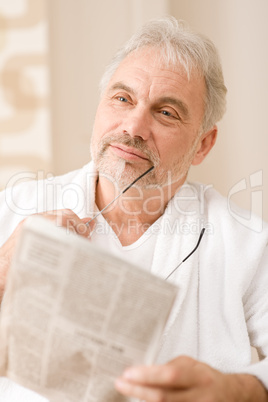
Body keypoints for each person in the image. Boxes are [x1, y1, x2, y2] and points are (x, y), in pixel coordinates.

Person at [0, 16, 268, 402]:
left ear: (203, 145)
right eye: (122, 99)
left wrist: (240, 388)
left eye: (166, 112)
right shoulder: (15, 209)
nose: (134, 126)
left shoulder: (246, 243)